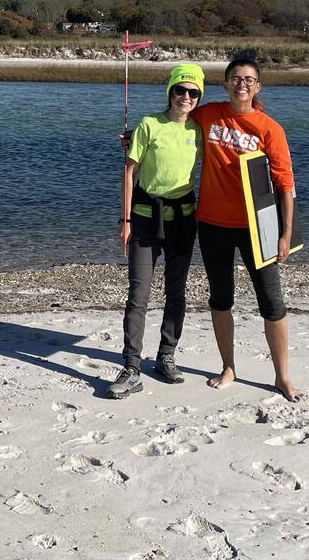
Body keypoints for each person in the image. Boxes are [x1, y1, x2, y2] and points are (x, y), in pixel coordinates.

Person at [190, 53, 300, 401]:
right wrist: (133, 138)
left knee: (272, 302)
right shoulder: (207, 115)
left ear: (257, 87)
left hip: (258, 227)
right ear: (225, 84)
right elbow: (171, 124)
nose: (242, 84)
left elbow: (285, 184)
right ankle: (228, 367)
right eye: (236, 78)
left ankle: (282, 376)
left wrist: (285, 234)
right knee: (221, 299)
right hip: (212, 223)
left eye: (249, 80)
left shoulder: (270, 129)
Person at [107, 63, 205, 399]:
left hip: (182, 220)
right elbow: (128, 173)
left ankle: (166, 356)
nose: (186, 98)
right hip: (146, 219)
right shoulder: (149, 125)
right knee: (138, 296)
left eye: (193, 93)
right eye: (181, 90)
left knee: (177, 294)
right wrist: (125, 221)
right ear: (170, 92)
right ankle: (131, 367)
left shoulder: (199, 129)